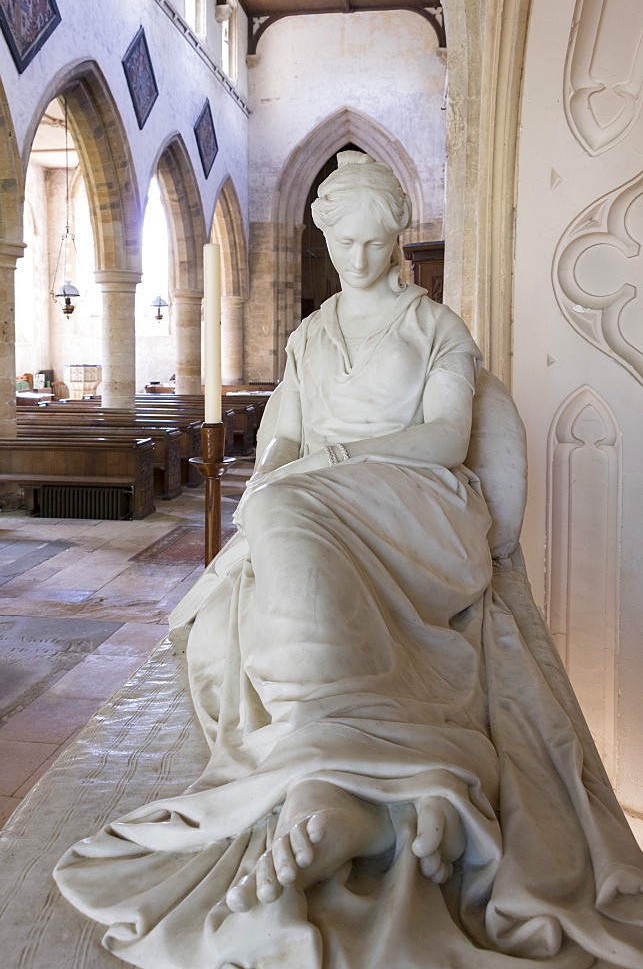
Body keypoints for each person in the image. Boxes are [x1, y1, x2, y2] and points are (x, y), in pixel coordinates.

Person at [55, 153, 643, 969]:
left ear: (396, 239)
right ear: (328, 240)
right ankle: (349, 787)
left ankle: (354, 777)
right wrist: (285, 471)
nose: (361, 260)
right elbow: (282, 441)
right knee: (278, 509)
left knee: (288, 506)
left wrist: (321, 465)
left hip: (423, 500)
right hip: (323, 494)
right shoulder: (312, 334)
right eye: (347, 246)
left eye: (375, 244)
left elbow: (442, 438)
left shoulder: (435, 327)